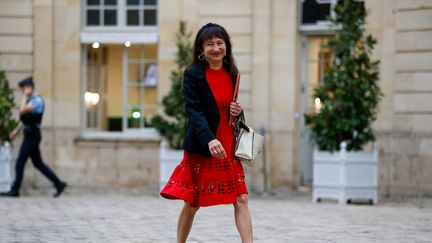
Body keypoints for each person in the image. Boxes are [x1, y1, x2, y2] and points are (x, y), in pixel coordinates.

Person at [160, 23, 253, 243]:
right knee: (193, 203)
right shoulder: (193, 74)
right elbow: (193, 111)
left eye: (220, 43)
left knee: (241, 198)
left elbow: (227, 108)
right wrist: (209, 139)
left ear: (226, 46)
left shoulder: (232, 73)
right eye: (209, 44)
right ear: (201, 50)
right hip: (204, 144)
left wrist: (237, 110)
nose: (216, 48)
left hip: (227, 143)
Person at [1, 77, 67, 198]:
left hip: (33, 135)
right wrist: (16, 131)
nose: (22, 92)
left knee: (20, 162)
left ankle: (15, 190)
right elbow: (25, 119)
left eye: (23, 89)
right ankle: (59, 184)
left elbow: (22, 110)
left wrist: (25, 96)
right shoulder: (32, 100)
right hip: (30, 134)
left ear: (29, 88)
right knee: (38, 164)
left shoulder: (37, 101)